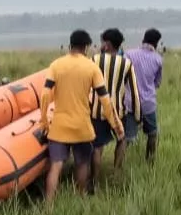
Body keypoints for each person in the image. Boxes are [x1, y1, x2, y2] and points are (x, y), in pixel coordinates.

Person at [39, 29, 124, 202]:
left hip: (59, 126)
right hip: (82, 126)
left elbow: (45, 95)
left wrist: (44, 122)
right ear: (85, 47)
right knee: (83, 164)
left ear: (70, 45)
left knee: (56, 166)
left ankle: (48, 207)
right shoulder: (91, 67)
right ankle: (81, 198)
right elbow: (105, 100)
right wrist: (117, 126)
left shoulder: (56, 65)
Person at [90, 28, 141, 193]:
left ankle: (95, 182)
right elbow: (133, 91)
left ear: (107, 43)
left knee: (97, 147)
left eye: (102, 41)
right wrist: (137, 114)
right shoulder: (126, 63)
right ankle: (117, 173)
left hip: (96, 111)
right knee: (121, 140)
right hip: (117, 112)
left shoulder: (94, 60)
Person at [124, 28, 163, 163]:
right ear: (157, 43)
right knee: (152, 134)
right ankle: (150, 162)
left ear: (143, 40)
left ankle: (118, 165)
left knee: (126, 138)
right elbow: (157, 83)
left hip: (129, 103)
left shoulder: (128, 54)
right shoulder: (158, 59)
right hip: (148, 103)